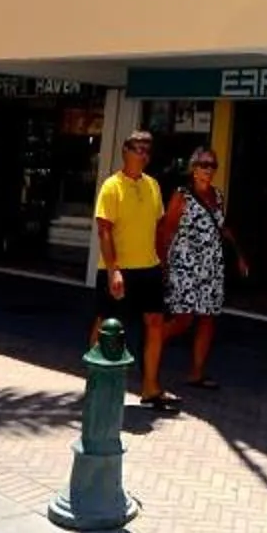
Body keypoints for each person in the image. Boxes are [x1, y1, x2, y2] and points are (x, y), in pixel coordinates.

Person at [93, 128, 169, 408]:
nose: (143, 154)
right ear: (125, 151)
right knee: (106, 324)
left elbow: (158, 229)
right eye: (138, 148)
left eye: (147, 150)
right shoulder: (112, 186)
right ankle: (96, 381)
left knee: (155, 323)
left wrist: (162, 262)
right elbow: (104, 231)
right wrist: (113, 269)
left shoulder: (153, 186)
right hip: (119, 269)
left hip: (148, 268)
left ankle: (150, 387)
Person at [160, 147, 244, 390]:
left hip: (211, 265)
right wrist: (163, 263)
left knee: (207, 318)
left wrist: (239, 254)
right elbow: (168, 229)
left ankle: (196, 373)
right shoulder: (181, 196)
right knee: (183, 319)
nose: (208, 170)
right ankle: (152, 346)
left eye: (212, 165)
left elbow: (222, 226)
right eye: (204, 165)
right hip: (185, 265)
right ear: (193, 168)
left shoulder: (217, 196)